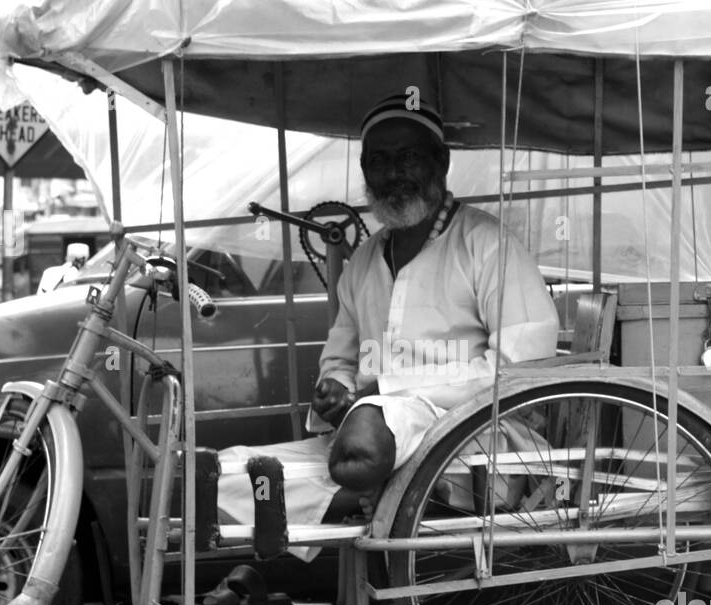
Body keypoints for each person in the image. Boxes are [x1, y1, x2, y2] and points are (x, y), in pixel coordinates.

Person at [214, 92, 560, 560]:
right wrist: (334, 389)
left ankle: (367, 497)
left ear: (442, 161)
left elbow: (523, 366)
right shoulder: (364, 260)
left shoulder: (487, 244)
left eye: (408, 157)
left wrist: (387, 391)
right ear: (365, 171)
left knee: (368, 429)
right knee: (227, 471)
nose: (394, 173)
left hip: (469, 437)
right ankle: (374, 500)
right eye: (379, 161)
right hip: (367, 440)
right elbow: (339, 358)